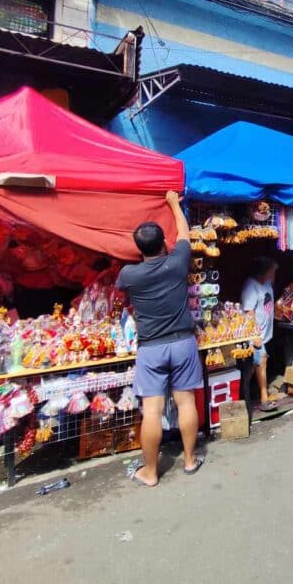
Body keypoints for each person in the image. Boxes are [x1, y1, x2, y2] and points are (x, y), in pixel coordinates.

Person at [116, 192, 203, 486]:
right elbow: (184, 231)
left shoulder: (129, 274)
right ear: (164, 242)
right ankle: (190, 461)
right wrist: (173, 203)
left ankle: (151, 472)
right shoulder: (178, 262)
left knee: (151, 411)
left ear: (138, 247)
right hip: (183, 342)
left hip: (151, 347)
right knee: (186, 403)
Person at [241, 256, 279, 412]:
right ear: (263, 272)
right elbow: (248, 313)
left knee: (252, 367)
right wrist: (254, 334)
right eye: (271, 271)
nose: (273, 274)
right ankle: (263, 399)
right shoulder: (251, 287)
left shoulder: (267, 283)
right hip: (254, 334)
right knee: (261, 361)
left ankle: (244, 394)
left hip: (264, 333)